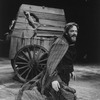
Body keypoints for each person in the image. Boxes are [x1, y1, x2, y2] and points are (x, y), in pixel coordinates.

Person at [16, 22, 79, 100]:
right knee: (66, 96)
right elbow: (51, 63)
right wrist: (54, 79)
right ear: (66, 32)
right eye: (72, 31)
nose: (74, 33)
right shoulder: (61, 43)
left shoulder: (69, 43)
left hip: (64, 76)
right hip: (55, 76)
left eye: (76, 31)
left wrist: (71, 70)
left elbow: (67, 59)